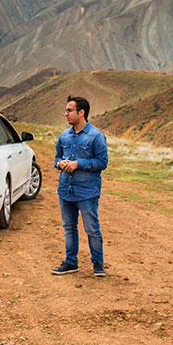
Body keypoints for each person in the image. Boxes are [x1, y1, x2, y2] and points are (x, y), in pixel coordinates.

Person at [51, 95, 109, 277]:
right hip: (65, 190)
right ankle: (70, 262)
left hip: (87, 191)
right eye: (66, 110)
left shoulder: (96, 136)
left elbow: (102, 162)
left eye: (69, 110)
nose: (65, 114)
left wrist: (78, 164)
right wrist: (60, 163)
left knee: (91, 228)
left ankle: (98, 264)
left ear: (81, 112)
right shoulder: (64, 136)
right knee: (69, 227)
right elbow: (57, 157)